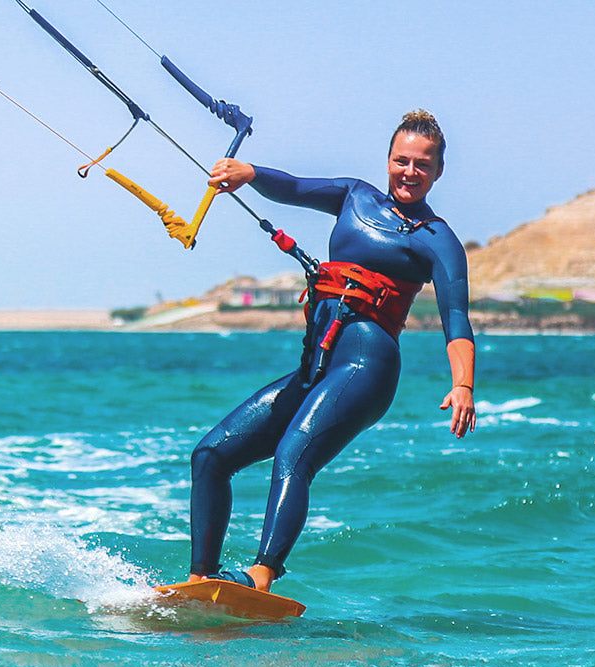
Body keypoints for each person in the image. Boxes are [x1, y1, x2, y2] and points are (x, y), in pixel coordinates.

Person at [187, 110, 477, 592]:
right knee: (211, 455)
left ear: (438, 171)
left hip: (367, 368)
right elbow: (295, 187)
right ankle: (201, 579)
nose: (409, 172)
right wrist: (250, 174)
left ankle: (261, 577)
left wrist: (463, 385)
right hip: (317, 366)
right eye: (401, 161)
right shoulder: (353, 196)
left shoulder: (438, 240)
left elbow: (457, 320)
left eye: (421, 165)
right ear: (388, 160)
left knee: (292, 456)